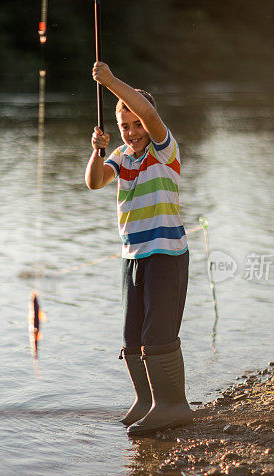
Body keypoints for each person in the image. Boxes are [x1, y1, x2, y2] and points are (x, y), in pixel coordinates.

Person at [85, 61, 192, 437]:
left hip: (167, 254)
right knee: (133, 335)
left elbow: (146, 110)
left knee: (157, 332)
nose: (131, 131)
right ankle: (147, 401)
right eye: (124, 126)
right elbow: (94, 182)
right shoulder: (122, 156)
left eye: (136, 124)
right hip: (134, 257)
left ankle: (173, 405)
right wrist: (97, 152)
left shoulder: (164, 148)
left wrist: (110, 82)